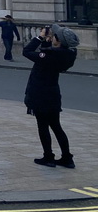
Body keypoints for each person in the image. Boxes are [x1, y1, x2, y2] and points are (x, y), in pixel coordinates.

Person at [22, 24, 78, 168]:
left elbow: (27, 51)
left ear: (58, 41)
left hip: (40, 94)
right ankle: (67, 157)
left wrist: (39, 37)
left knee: (43, 127)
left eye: (54, 36)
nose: (52, 36)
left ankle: (48, 156)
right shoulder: (66, 55)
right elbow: (48, 53)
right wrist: (47, 41)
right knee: (56, 126)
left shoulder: (49, 56)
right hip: (52, 94)